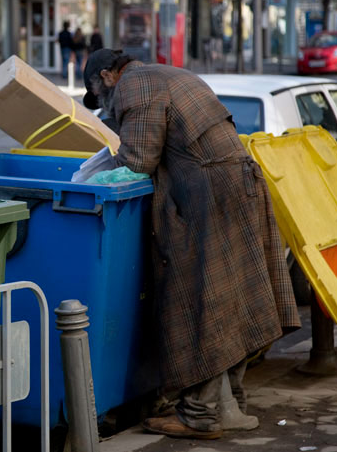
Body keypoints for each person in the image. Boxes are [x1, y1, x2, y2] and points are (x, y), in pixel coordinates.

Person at [82, 49, 300, 440]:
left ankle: (200, 414)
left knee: (202, 299)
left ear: (107, 76)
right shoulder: (168, 73)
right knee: (234, 300)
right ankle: (230, 405)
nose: (105, 107)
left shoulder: (136, 84)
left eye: (99, 97)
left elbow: (137, 161)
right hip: (238, 185)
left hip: (212, 194)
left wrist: (91, 180)